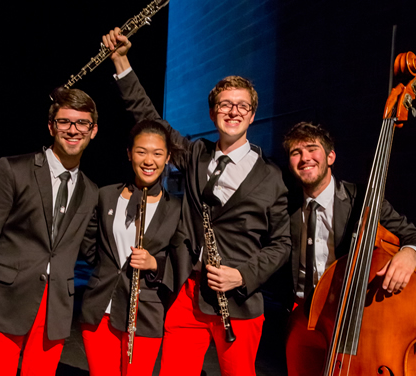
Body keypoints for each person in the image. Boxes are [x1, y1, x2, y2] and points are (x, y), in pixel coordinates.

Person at [102, 28, 291, 376]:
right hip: (188, 294)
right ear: (212, 113)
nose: (233, 111)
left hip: (239, 300)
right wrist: (121, 61)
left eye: (242, 106)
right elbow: (150, 119)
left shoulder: (271, 176)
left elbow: (281, 243)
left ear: (252, 115)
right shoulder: (196, 154)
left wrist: (244, 275)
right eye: (225, 105)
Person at [0, 88, 100, 376]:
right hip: (4, 305)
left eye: (82, 123)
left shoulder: (91, 190)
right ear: (51, 126)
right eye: (65, 122)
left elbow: (93, 250)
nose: (73, 130)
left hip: (55, 313)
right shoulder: (13, 170)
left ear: (93, 130)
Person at [282, 122, 416, 376]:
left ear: (330, 156)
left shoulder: (363, 200)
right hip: (302, 318)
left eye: (312, 149)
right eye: (296, 153)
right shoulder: (285, 205)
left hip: (350, 320)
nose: (305, 158)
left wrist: (410, 254)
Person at [79, 120, 182, 376]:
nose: (149, 160)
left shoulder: (177, 209)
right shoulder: (105, 196)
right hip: (100, 309)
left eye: (157, 153)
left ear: (167, 157)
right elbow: (90, 247)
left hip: (145, 312)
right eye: (141, 151)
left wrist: (154, 264)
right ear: (129, 154)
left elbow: (183, 262)